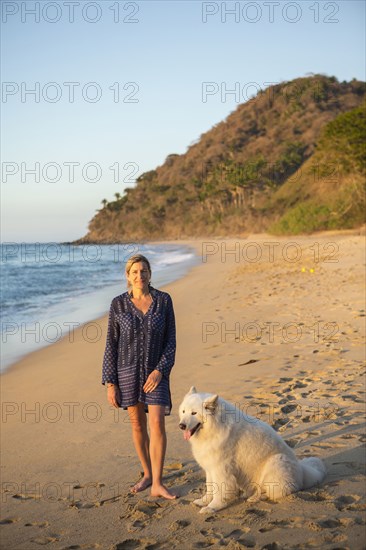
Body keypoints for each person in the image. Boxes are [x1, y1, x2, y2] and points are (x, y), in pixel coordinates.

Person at [102, 254, 177, 500]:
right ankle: (146, 473)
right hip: (127, 373)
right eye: (134, 271)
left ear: (149, 274)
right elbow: (111, 345)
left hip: (156, 373)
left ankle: (157, 482)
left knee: (156, 423)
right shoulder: (117, 305)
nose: (139, 275)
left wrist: (160, 370)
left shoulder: (164, 301)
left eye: (144, 270)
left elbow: (171, 342)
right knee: (137, 425)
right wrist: (110, 383)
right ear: (128, 276)